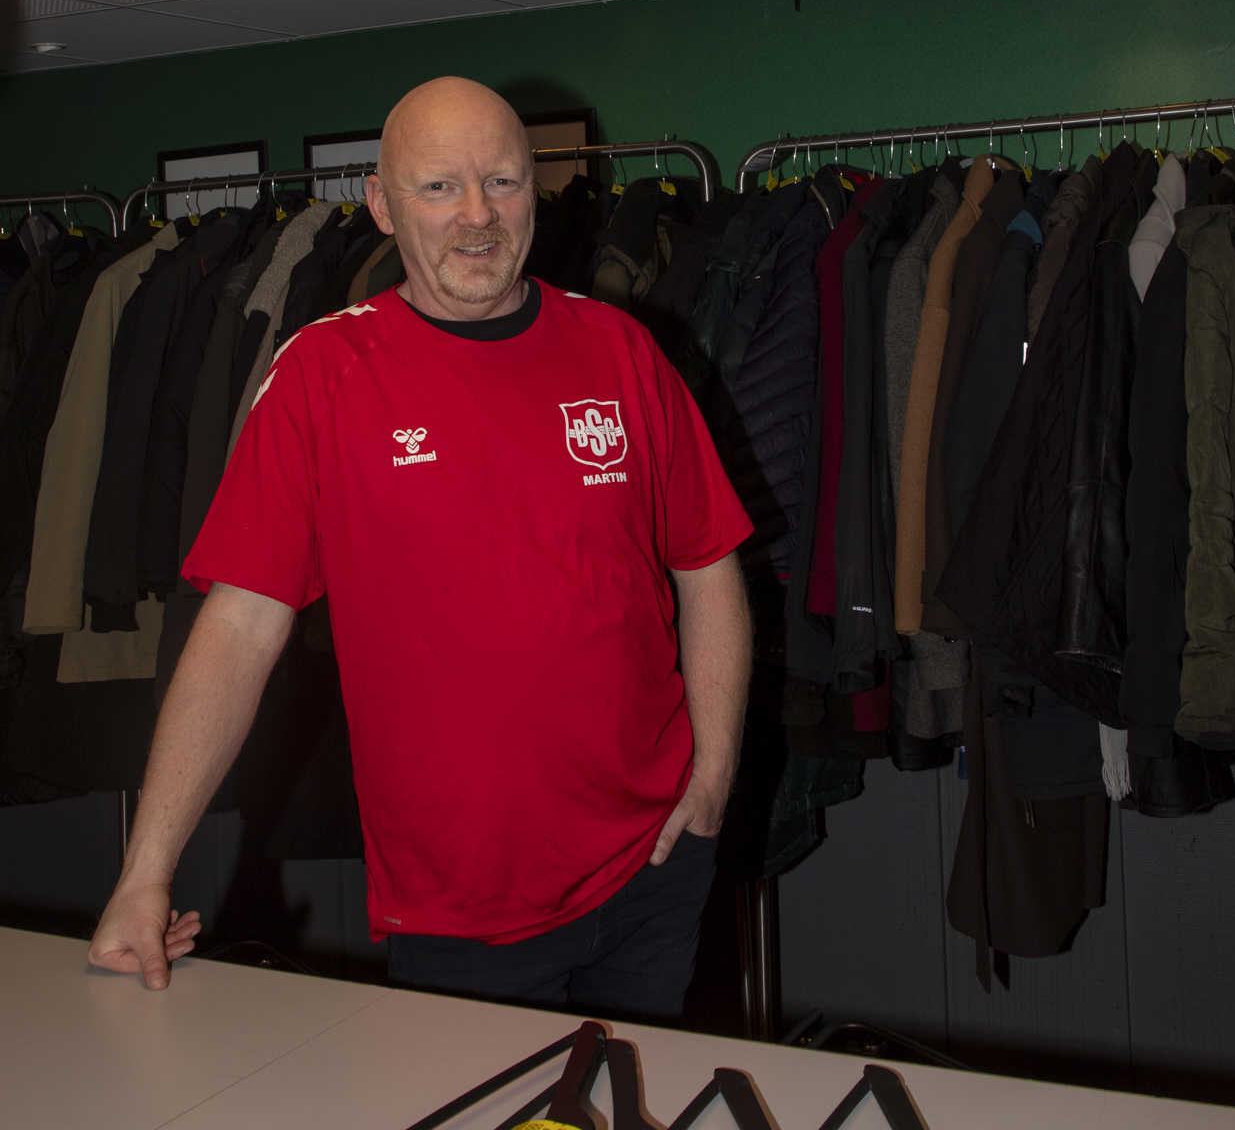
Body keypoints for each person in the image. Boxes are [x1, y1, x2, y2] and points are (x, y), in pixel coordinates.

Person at [86, 76, 754, 1022]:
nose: (478, 214)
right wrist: (145, 873)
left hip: (654, 861)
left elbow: (707, 565)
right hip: (462, 905)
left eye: (502, 181)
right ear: (381, 204)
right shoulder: (322, 377)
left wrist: (714, 769)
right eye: (439, 187)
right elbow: (236, 632)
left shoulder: (622, 350)